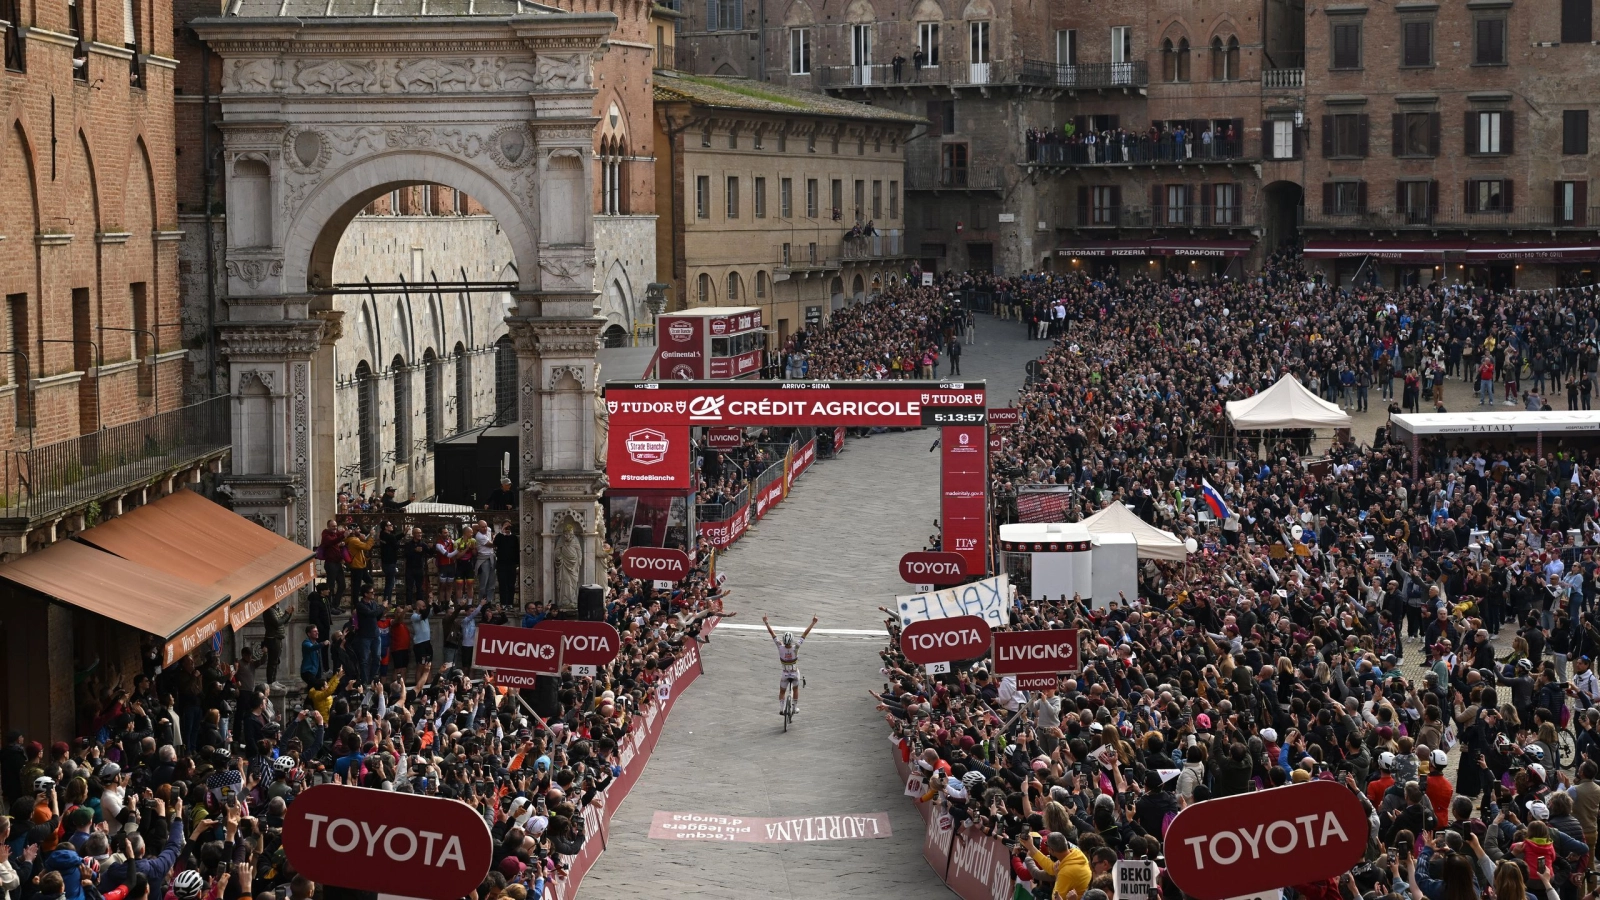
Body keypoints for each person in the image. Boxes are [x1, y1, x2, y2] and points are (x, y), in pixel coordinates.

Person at [762, 614, 818, 716]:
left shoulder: (780, 647)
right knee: (795, 689)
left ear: (783, 640)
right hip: (794, 673)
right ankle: (794, 708)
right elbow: (805, 634)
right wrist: (813, 623)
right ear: (791, 640)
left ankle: (782, 708)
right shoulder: (796, 647)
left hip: (785, 673)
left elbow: (772, 634)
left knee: (782, 691)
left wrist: (766, 622)